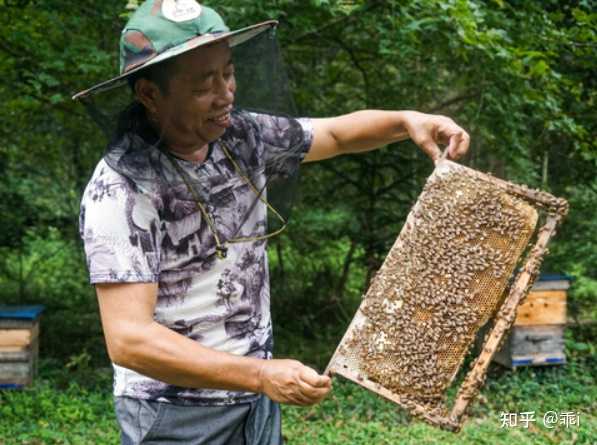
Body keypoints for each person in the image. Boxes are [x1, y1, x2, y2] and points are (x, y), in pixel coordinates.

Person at [76, 1, 470, 444]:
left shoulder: (243, 136)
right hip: (174, 414)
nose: (225, 93)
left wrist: (406, 120)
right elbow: (129, 339)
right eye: (204, 84)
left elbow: (336, 135)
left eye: (227, 72)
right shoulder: (122, 187)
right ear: (149, 94)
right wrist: (260, 374)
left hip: (251, 399)